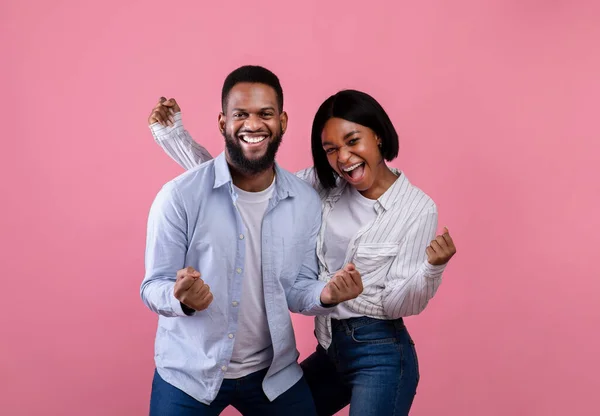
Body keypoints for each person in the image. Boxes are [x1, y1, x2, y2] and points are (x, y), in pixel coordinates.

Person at [149, 72, 457, 416]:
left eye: (353, 141)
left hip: (380, 349)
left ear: (379, 137)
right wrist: (173, 136)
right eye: (331, 149)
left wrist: (431, 270)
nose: (343, 158)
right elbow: (239, 179)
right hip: (328, 347)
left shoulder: (416, 208)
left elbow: (400, 303)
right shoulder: (318, 186)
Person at [141, 65, 364, 416]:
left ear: (283, 121)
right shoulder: (179, 196)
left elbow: (297, 288)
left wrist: (326, 294)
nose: (253, 124)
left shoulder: (304, 201)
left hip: (272, 375)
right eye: (241, 114)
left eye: (265, 114)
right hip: (189, 372)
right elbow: (152, 285)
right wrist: (178, 297)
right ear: (222, 122)